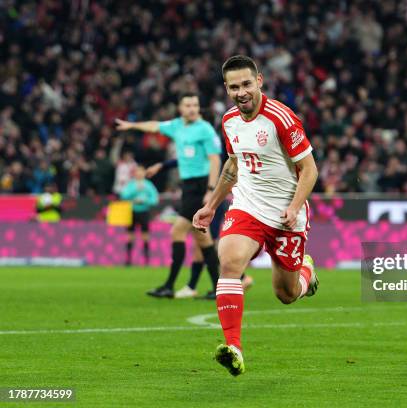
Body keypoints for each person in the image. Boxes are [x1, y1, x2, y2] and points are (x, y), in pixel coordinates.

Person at [192, 55, 319, 376]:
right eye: (234, 87)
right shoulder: (230, 120)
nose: (241, 92)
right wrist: (211, 205)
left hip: (286, 215)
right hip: (247, 206)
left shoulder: (282, 118)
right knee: (230, 261)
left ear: (259, 81)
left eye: (247, 84)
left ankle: (306, 273)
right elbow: (233, 165)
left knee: (286, 294)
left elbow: (309, 170)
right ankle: (233, 347)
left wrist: (293, 206)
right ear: (226, 88)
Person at [115, 92, 221, 298]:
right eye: (188, 105)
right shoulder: (177, 126)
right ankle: (219, 286)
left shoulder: (205, 130)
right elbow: (155, 126)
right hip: (188, 186)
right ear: (180, 108)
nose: (192, 108)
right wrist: (132, 126)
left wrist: (210, 190)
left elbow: (215, 160)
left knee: (178, 232)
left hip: (200, 186)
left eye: (195, 105)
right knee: (203, 239)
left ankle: (170, 286)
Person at [146, 160, 254, 298]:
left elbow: (218, 162)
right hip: (207, 197)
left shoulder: (211, 144)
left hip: (210, 199)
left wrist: (210, 190)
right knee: (202, 244)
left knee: (205, 242)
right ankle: (193, 286)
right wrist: (161, 165)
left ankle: (239, 278)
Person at [119, 165, 159, 266]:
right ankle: (128, 260)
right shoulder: (131, 185)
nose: (139, 174)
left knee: (145, 236)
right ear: (134, 173)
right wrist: (135, 191)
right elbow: (123, 196)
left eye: (141, 172)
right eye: (137, 172)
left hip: (144, 211)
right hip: (131, 212)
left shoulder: (148, 185)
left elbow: (155, 199)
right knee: (129, 236)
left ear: (144, 173)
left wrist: (145, 201)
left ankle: (146, 260)